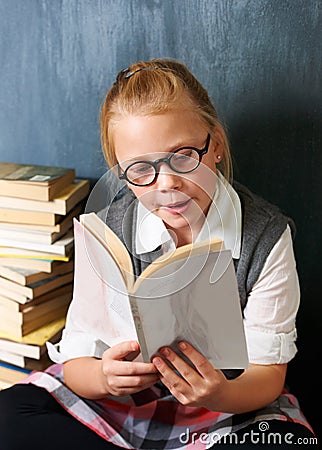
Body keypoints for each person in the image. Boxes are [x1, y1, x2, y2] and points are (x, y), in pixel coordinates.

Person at [0, 58, 318, 449]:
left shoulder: (265, 236)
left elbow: (267, 378)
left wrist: (215, 393)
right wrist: (104, 378)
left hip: (232, 402)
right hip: (126, 404)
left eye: (184, 156)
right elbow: (77, 365)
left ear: (215, 145)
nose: (166, 184)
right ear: (121, 173)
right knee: (8, 416)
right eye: (139, 170)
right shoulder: (106, 228)